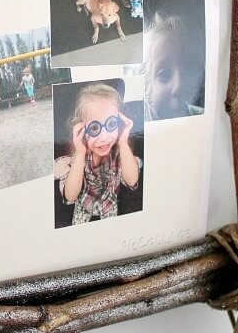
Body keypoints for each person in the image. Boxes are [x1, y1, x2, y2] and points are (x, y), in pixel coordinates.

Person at [55, 83, 141, 224]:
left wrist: (124, 142)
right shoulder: (79, 156)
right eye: (94, 128)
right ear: (81, 128)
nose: (104, 137)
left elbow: (132, 181)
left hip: (109, 206)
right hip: (83, 206)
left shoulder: (120, 152)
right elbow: (70, 196)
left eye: (111, 124)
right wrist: (81, 153)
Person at [144, 12, 204, 120]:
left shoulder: (202, 117)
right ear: (148, 87)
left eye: (188, 70)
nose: (178, 86)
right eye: (164, 74)